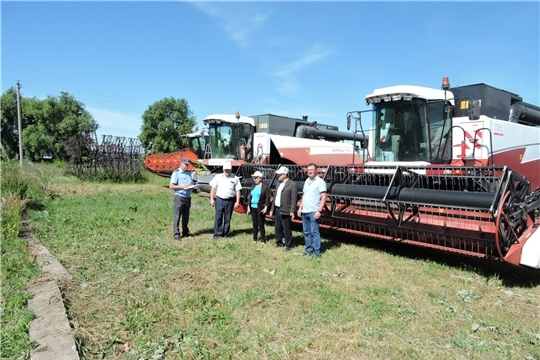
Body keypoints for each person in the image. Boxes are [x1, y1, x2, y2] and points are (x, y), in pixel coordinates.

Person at [297, 163, 327, 257]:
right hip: (305, 211)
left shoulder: (320, 182)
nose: (309, 171)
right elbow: (304, 195)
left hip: (314, 211)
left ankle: (317, 252)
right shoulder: (307, 181)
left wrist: (319, 211)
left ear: (316, 170)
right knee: (306, 232)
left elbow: (324, 197)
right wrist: (300, 207)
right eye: (308, 170)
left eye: (311, 169)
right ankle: (308, 249)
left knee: (314, 232)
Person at [209, 161, 242, 240]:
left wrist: (237, 201)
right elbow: (213, 188)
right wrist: (211, 199)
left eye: (229, 170)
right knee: (218, 217)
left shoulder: (235, 178)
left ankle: (226, 233)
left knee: (227, 218)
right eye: (226, 170)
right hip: (219, 199)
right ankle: (217, 233)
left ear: (231, 170)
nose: (227, 171)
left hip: (230, 201)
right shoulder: (218, 177)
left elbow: (238, 190)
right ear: (223, 170)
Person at [269, 166, 297, 251]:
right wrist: (272, 209)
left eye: (280, 174)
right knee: (278, 227)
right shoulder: (278, 184)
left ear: (285, 174)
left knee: (286, 228)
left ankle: (289, 245)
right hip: (277, 208)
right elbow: (275, 197)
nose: (278, 176)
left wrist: (292, 211)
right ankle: (279, 243)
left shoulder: (292, 185)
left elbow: (293, 199)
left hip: (286, 209)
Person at [169, 158, 195, 240]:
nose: (187, 166)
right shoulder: (176, 173)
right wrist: (183, 187)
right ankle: (176, 234)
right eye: (185, 164)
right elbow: (171, 186)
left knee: (186, 216)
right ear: (181, 164)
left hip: (187, 197)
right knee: (177, 216)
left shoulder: (188, 173)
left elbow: (190, 183)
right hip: (179, 197)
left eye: (187, 165)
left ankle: (185, 232)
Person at [246, 170, 271, 243]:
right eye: (254, 178)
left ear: (260, 178)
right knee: (254, 223)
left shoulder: (265, 187)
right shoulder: (253, 186)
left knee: (261, 224)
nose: (254, 179)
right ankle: (254, 238)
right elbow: (250, 197)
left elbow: (267, 198)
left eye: (256, 178)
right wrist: (248, 207)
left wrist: (266, 207)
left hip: (260, 208)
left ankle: (263, 239)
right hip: (253, 207)